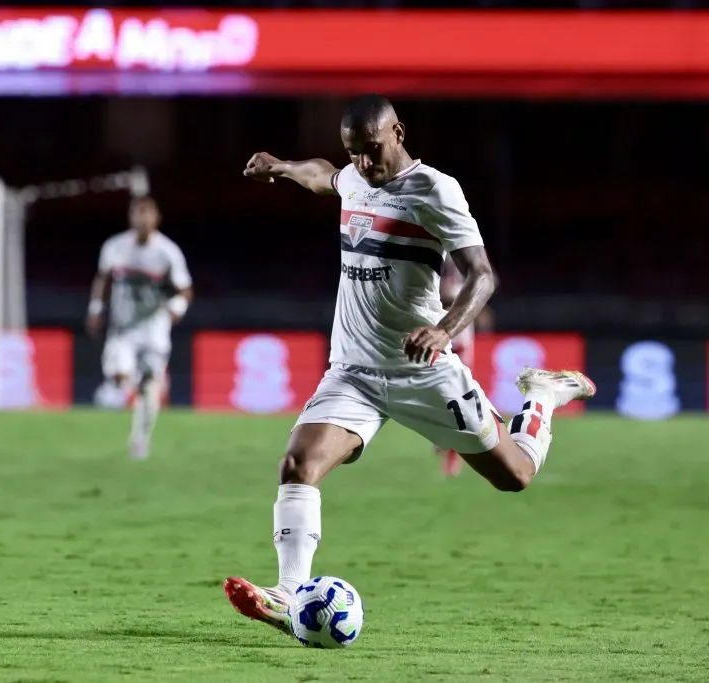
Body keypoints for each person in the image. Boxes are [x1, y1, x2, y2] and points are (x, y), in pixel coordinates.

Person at [223, 95, 596, 635]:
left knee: (515, 476)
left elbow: (483, 275)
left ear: (397, 131)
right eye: (355, 154)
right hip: (353, 369)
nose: (364, 165)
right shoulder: (353, 176)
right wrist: (281, 167)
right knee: (298, 464)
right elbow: (323, 175)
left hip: (423, 371)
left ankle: (542, 395)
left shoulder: (435, 190)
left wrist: (444, 329)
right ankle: (287, 592)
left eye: (372, 151)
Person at [86, 196, 193, 460]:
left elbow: (185, 289)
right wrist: (96, 308)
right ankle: (120, 384)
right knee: (119, 371)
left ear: (156, 218)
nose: (143, 219)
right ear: (131, 217)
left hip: (154, 326)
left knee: (148, 386)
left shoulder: (167, 252)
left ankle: (140, 438)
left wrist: (176, 308)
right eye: (138, 213)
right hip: (122, 325)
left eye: (148, 214)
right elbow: (104, 278)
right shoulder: (115, 247)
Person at [433, 256, 496, 477]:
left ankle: (452, 452)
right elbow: (439, 297)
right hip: (440, 344)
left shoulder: (467, 271)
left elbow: (487, 282)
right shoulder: (437, 275)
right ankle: (443, 437)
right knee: (441, 399)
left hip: (460, 349)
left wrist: (480, 305)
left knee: (459, 401)